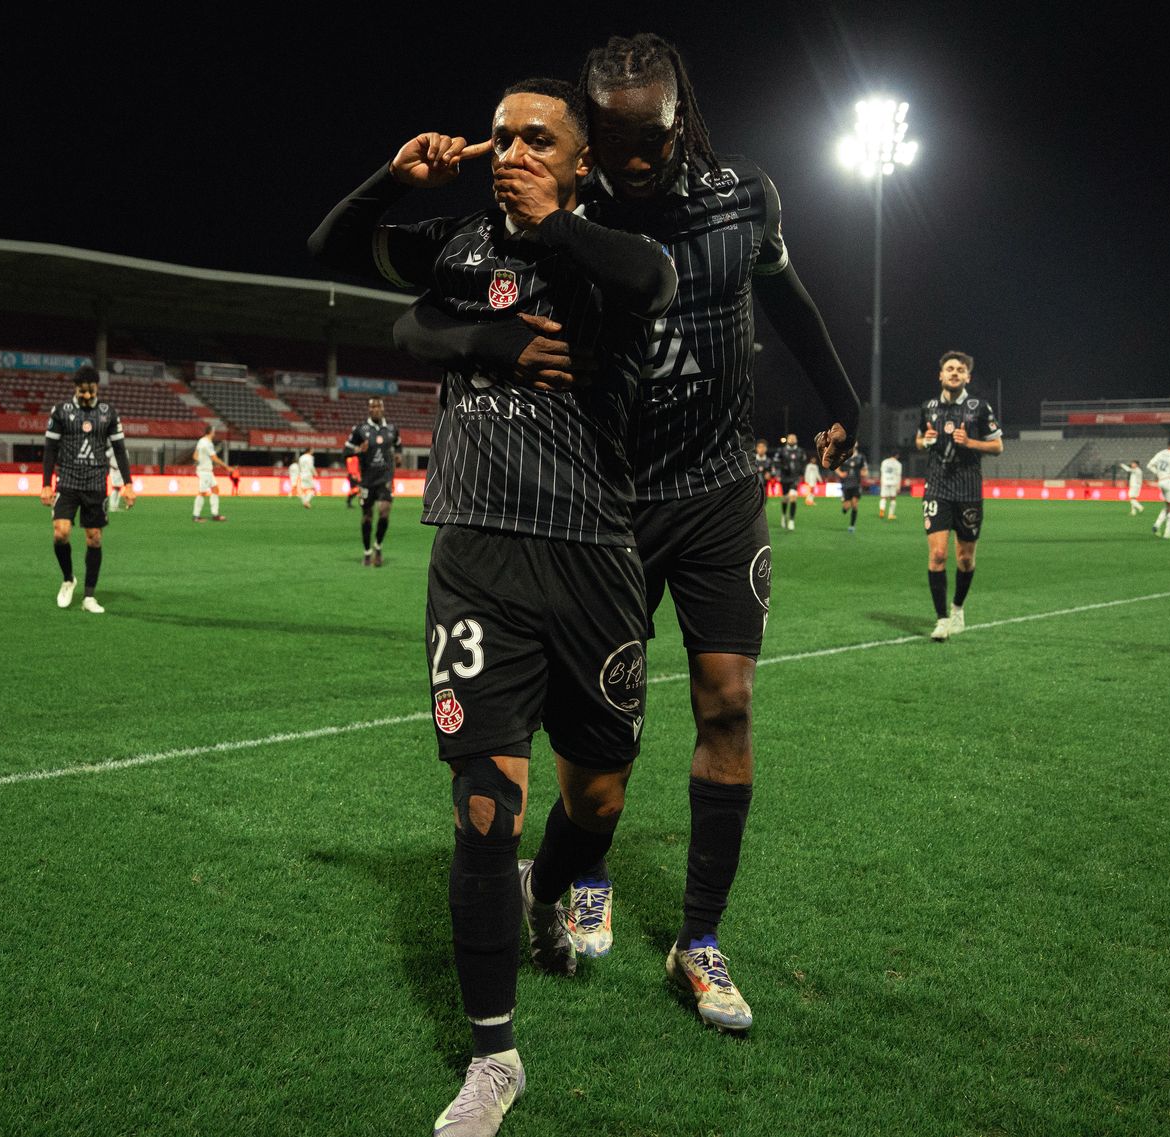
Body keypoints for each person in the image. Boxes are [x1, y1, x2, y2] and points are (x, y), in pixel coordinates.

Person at [376, 33, 862, 1040]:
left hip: (721, 488)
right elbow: (431, 306)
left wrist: (843, 399)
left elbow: (790, 301)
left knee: (727, 702)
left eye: (654, 134)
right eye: (617, 138)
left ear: (682, 117)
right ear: (590, 136)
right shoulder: (560, 207)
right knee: (600, 751)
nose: (637, 156)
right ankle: (581, 870)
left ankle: (699, 939)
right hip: (606, 503)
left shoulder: (743, 197)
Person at [311, 74, 676, 1136]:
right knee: (481, 807)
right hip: (474, 552)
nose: (511, 150)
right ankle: (492, 1059)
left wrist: (549, 227)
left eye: (537, 140)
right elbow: (337, 253)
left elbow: (645, 284)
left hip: (595, 558)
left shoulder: (609, 247)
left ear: (579, 164)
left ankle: (549, 887)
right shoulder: (463, 246)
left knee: (598, 800)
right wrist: (393, 179)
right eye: (500, 134)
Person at [917, 351, 1004, 641]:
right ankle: (941, 620)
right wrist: (924, 441)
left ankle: (958, 609)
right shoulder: (928, 407)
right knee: (938, 554)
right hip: (937, 487)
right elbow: (920, 439)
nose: (954, 373)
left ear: (967, 377)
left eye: (960, 369)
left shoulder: (979, 407)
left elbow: (998, 447)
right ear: (941, 375)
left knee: (965, 559)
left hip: (968, 490)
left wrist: (970, 443)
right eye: (949, 368)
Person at [41, 366, 136, 612]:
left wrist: (128, 484)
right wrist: (45, 484)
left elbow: (119, 450)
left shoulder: (108, 413)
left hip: (95, 483)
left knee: (94, 538)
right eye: (82, 391)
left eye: (90, 391)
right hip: (68, 481)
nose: (86, 396)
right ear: (75, 388)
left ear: (97, 387)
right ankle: (68, 579)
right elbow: (50, 449)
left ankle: (89, 597)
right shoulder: (61, 411)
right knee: (60, 533)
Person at [346, 396, 402, 565]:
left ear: (383, 408)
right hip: (366, 480)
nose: (375, 409)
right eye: (372, 406)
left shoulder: (392, 429)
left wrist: (398, 455)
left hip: (385, 478)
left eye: (378, 406)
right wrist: (357, 449)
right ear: (369, 409)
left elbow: (398, 444)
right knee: (367, 517)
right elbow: (345, 450)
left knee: (384, 511)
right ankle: (367, 551)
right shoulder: (360, 430)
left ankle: (378, 546)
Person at [191, 422, 234, 522]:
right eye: (214, 432)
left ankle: (215, 514)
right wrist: (226, 467)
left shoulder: (201, 441)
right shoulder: (208, 444)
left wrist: (200, 460)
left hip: (206, 470)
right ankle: (196, 516)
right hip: (205, 471)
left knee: (215, 489)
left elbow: (195, 456)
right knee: (202, 492)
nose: (215, 433)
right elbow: (214, 458)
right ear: (211, 432)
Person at [1146, 436, 1170, 540]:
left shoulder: (1161, 453)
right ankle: (1168, 533)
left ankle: (1157, 525)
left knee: (1168, 505)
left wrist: (1158, 474)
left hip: (1161, 481)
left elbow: (1149, 465)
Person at [771, 432, 807, 531]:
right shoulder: (781, 450)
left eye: (794, 438)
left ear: (796, 440)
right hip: (784, 478)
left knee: (793, 497)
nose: (792, 440)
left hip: (795, 478)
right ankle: (783, 515)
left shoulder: (800, 451)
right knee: (785, 499)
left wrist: (802, 475)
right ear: (787, 440)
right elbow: (775, 462)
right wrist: (780, 470)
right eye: (790, 438)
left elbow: (804, 463)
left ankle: (791, 520)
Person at [836, 447, 866, 532]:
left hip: (856, 484)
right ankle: (844, 509)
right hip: (846, 485)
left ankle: (852, 526)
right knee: (847, 506)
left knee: (855, 504)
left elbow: (865, 470)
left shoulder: (861, 457)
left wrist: (864, 473)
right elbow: (835, 466)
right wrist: (840, 473)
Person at [878, 452, 904, 520]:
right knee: (893, 498)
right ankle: (890, 514)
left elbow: (882, 473)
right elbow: (898, 475)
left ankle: (882, 511)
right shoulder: (898, 464)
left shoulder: (884, 462)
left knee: (883, 498)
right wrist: (898, 487)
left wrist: (881, 482)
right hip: (893, 482)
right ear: (897, 455)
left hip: (885, 481)